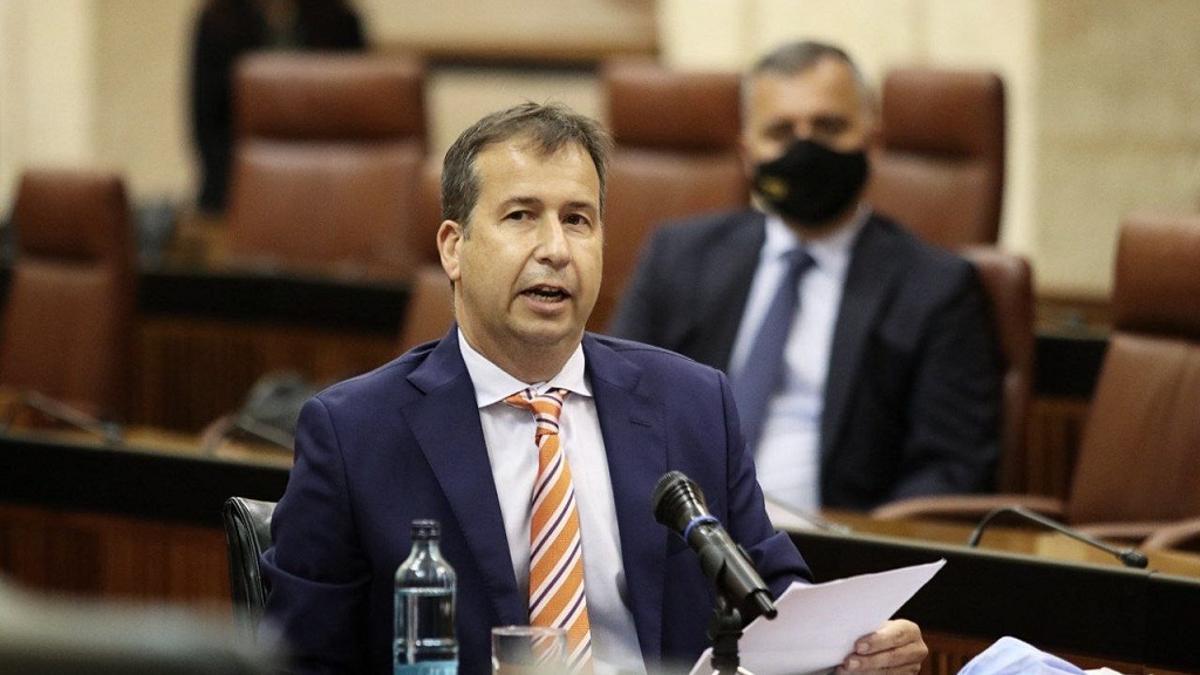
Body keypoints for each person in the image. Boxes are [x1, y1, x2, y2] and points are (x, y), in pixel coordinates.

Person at [261, 103, 928, 674]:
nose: (556, 248)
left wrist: (855, 648)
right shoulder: (356, 433)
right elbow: (302, 660)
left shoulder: (691, 403)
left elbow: (770, 593)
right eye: (522, 215)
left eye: (578, 219)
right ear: (453, 247)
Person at [610, 41, 1001, 512]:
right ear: (747, 153)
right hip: (682, 544)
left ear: (873, 144)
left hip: (840, 555)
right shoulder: (679, 257)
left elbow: (951, 469)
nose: (806, 148)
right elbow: (617, 409)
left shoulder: (936, 287)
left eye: (828, 127)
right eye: (781, 132)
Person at [190, 0, 365, 213]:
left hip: (328, 191)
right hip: (236, 195)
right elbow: (208, 128)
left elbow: (355, 121)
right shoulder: (218, 22)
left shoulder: (340, 20)